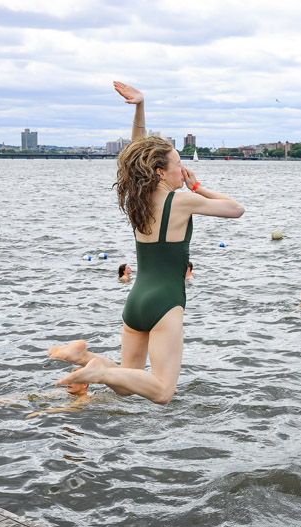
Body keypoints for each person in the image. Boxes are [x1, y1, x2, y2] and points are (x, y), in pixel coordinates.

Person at [48, 81, 244, 405]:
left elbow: (135, 152)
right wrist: (198, 188)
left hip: (136, 300)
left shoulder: (136, 199)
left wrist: (140, 106)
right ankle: (98, 370)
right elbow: (236, 209)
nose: (182, 170)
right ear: (159, 171)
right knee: (163, 390)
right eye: (178, 164)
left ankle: (85, 358)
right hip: (165, 301)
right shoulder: (182, 201)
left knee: (128, 384)